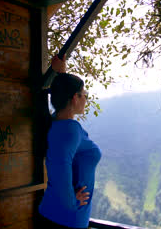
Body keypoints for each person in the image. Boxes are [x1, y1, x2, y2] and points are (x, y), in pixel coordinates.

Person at [37, 55, 101, 229]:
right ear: (74, 98)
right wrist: (72, 203)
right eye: (84, 95)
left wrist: (61, 73)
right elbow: (59, 168)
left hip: (60, 217)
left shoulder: (58, 124)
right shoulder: (69, 130)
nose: (86, 99)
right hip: (65, 220)